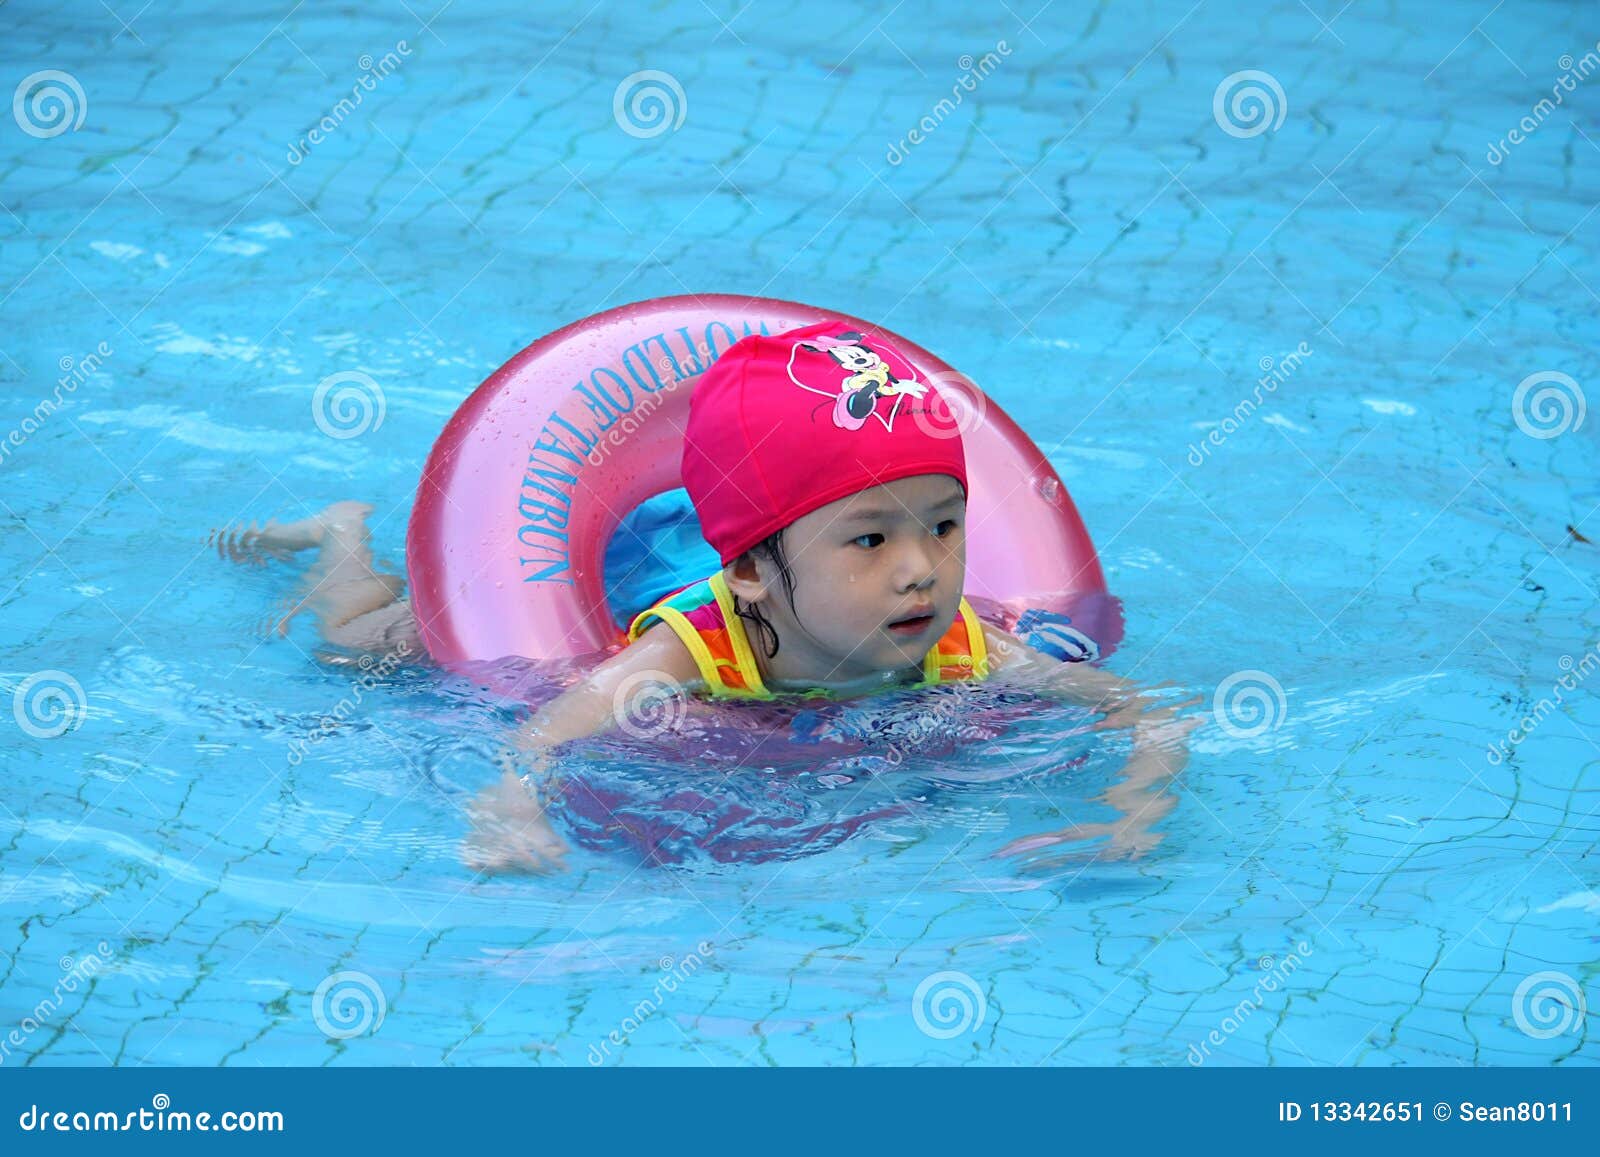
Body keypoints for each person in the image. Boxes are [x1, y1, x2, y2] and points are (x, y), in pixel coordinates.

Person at [214, 321, 1198, 875]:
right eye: (873, 537)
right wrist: (516, 810)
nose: (921, 569)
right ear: (753, 574)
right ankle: (340, 532)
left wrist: (1133, 803)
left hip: (755, 542)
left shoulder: (959, 642)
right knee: (363, 643)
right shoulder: (688, 652)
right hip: (647, 564)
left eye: (942, 524)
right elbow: (539, 735)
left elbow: (1144, 712)